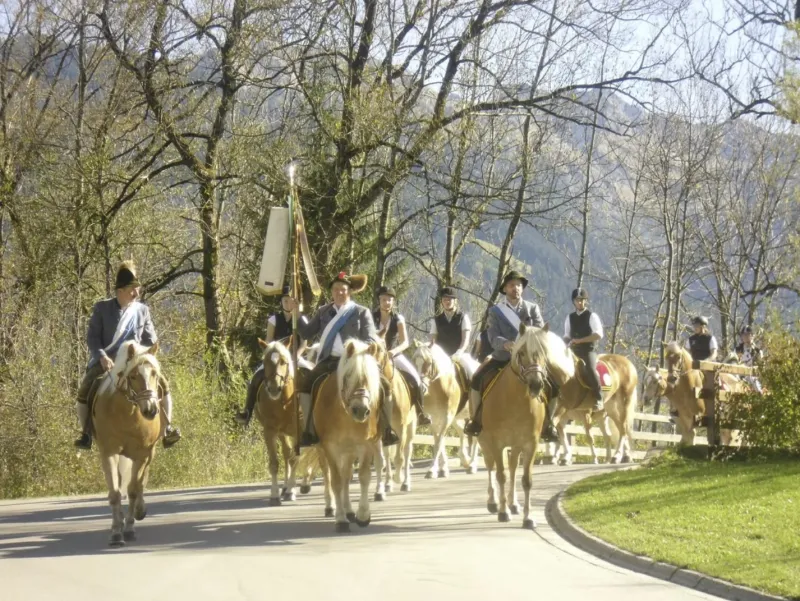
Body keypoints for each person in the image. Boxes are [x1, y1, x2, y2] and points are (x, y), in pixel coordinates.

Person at [74, 261, 181, 450]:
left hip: (136, 361)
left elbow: (151, 338)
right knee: (85, 390)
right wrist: (101, 357)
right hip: (109, 361)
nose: (137, 293)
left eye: (137, 289)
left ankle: (167, 429)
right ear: (120, 290)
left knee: (164, 386)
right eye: (133, 289)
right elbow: (92, 338)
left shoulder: (142, 311)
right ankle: (86, 433)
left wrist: (145, 355)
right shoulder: (102, 308)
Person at [290, 271, 399, 447]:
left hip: (354, 361)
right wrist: (297, 313)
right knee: (305, 385)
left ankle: (386, 430)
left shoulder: (361, 312)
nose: (340, 293)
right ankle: (309, 430)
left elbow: (371, 339)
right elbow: (306, 332)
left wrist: (356, 348)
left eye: (343, 289)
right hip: (329, 361)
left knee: (385, 385)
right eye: (336, 290)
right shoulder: (323, 312)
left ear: (349, 292)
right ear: (332, 293)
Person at [464, 271, 557, 442]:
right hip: (502, 357)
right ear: (505, 289)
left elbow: (540, 332)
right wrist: (505, 344)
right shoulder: (495, 311)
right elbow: (492, 336)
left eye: (519, 285)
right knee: (477, 379)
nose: (516, 288)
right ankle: (475, 420)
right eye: (512, 285)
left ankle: (548, 424)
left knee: (554, 383)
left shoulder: (532, 308)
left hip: (529, 358)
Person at [235, 285, 311, 427]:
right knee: (256, 377)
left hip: (295, 357)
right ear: (281, 302)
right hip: (275, 358)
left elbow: (303, 344)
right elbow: (269, 340)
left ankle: (313, 415)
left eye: (291, 300)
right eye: (285, 300)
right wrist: (274, 355)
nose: (288, 303)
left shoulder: (302, 320)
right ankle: (247, 412)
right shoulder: (274, 320)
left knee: (311, 374)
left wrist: (295, 357)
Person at [373, 286, 432, 426]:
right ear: (379, 301)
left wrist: (393, 351)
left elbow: (405, 342)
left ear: (393, 302)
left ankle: (420, 412)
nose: (386, 302)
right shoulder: (371, 316)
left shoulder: (398, 318)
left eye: (389, 300)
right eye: (383, 299)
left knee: (416, 379)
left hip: (394, 355)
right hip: (375, 356)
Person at [564, 288, 605, 413]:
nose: (580, 303)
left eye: (582, 300)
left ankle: (599, 397)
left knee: (590, 369)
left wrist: (581, 340)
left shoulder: (592, 316)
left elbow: (598, 335)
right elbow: (566, 335)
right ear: (574, 302)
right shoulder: (569, 317)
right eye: (577, 300)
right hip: (573, 350)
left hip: (588, 351)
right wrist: (565, 343)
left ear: (585, 301)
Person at [430, 286, 475, 378]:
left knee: (472, 373)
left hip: (460, 355)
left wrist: (459, 352)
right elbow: (433, 341)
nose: (447, 302)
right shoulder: (436, 320)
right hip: (442, 356)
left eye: (450, 299)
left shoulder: (463, 317)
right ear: (442, 301)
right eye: (445, 299)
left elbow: (465, 340)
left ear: (455, 301)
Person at [735, 325, 763, 393]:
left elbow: (761, 366)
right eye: (743, 335)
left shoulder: (758, 351)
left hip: (751, 375)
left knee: (752, 379)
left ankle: (760, 394)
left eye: (748, 334)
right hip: (738, 373)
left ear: (752, 335)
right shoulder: (737, 349)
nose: (745, 337)